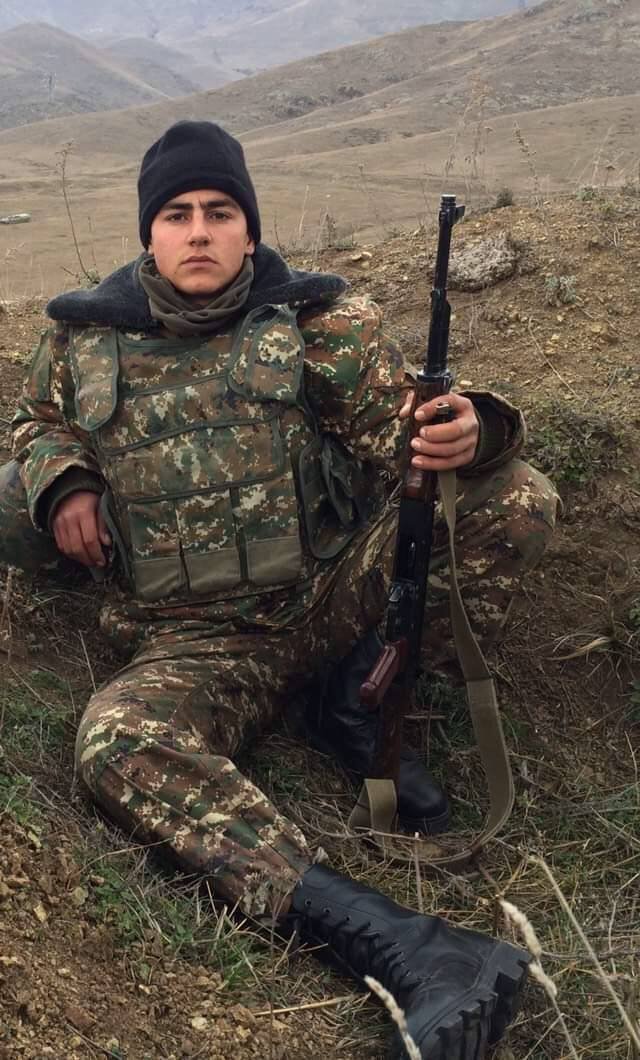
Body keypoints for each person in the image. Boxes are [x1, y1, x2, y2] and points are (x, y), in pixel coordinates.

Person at [0, 120, 558, 1058]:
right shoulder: (80, 339)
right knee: (116, 742)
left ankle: (359, 700)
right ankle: (407, 947)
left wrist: (472, 432)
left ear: (250, 229)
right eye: (177, 214)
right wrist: (64, 480)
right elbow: (35, 421)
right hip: (196, 641)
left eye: (221, 212)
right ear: (149, 234)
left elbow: (408, 435)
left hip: (333, 595)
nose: (200, 231)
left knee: (520, 499)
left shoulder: (317, 326)